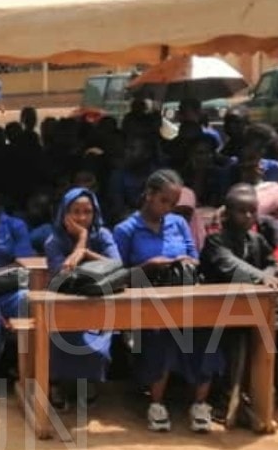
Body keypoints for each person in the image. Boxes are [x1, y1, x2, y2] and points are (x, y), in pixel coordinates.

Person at [112, 168, 223, 433]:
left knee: (207, 334)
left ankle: (199, 403)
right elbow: (117, 275)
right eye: (164, 201)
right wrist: (148, 266)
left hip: (183, 296)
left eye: (173, 204)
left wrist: (183, 262)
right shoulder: (126, 229)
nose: (168, 208)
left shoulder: (178, 224)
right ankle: (156, 403)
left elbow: (195, 258)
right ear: (149, 195)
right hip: (146, 301)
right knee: (160, 335)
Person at [200, 184, 278, 431]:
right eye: (241, 211)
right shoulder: (215, 241)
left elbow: (272, 261)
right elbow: (229, 264)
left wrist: (268, 274)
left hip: (257, 310)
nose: (249, 216)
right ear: (227, 213)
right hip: (223, 313)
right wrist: (262, 278)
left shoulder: (255, 239)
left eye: (252, 211)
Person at [42, 187, 120, 409]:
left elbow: (117, 265)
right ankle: (57, 384)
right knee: (62, 339)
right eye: (76, 211)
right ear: (64, 213)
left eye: (88, 211)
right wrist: (81, 240)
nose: (82, 217)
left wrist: (85, 252)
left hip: (98, 303)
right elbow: (62, 276)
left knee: (98, 345)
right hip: (63, 304)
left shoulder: (103, 235)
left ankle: (86, 382)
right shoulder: (53, 240)